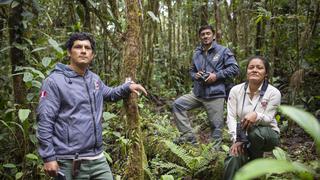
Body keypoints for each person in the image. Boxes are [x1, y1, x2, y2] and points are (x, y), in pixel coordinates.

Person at [36, 32, 147, 180]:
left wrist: (127, 87)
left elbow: (110, 94)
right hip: (69, 161)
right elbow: (44, 120)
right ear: (69, 52)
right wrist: (48, 157)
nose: (83, 50)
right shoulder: (54, 81)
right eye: (78, 47)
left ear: (92, 55)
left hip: (97, 159)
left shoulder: (94, 79)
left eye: (87, 48)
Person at [172, 25, 239, 145]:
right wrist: (195, 75)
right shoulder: (197, 53)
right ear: (200, 37)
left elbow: (234, 69)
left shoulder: (223, 51)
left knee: (216, 126)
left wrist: (216, 76)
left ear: (213, 36)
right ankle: (188, 137)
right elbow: (191, 71)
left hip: (215, 94)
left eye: (208, 33)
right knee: (178, 105)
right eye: (202, 34)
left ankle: (214, 154)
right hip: (198, 93)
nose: (205, 36)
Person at [223, 56, 281, 180]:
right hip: (243, 135)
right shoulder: (235, 90)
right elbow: (231, 117)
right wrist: (236, 139)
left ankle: (255, 161)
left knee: (254, 133)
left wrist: (256, 115)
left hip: (268, 135)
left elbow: (268, 119)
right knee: (234, 157)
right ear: (247, 71)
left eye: (259, 68)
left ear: (266, 73)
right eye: (251, 67)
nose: (254, 70)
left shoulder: (273, 93)